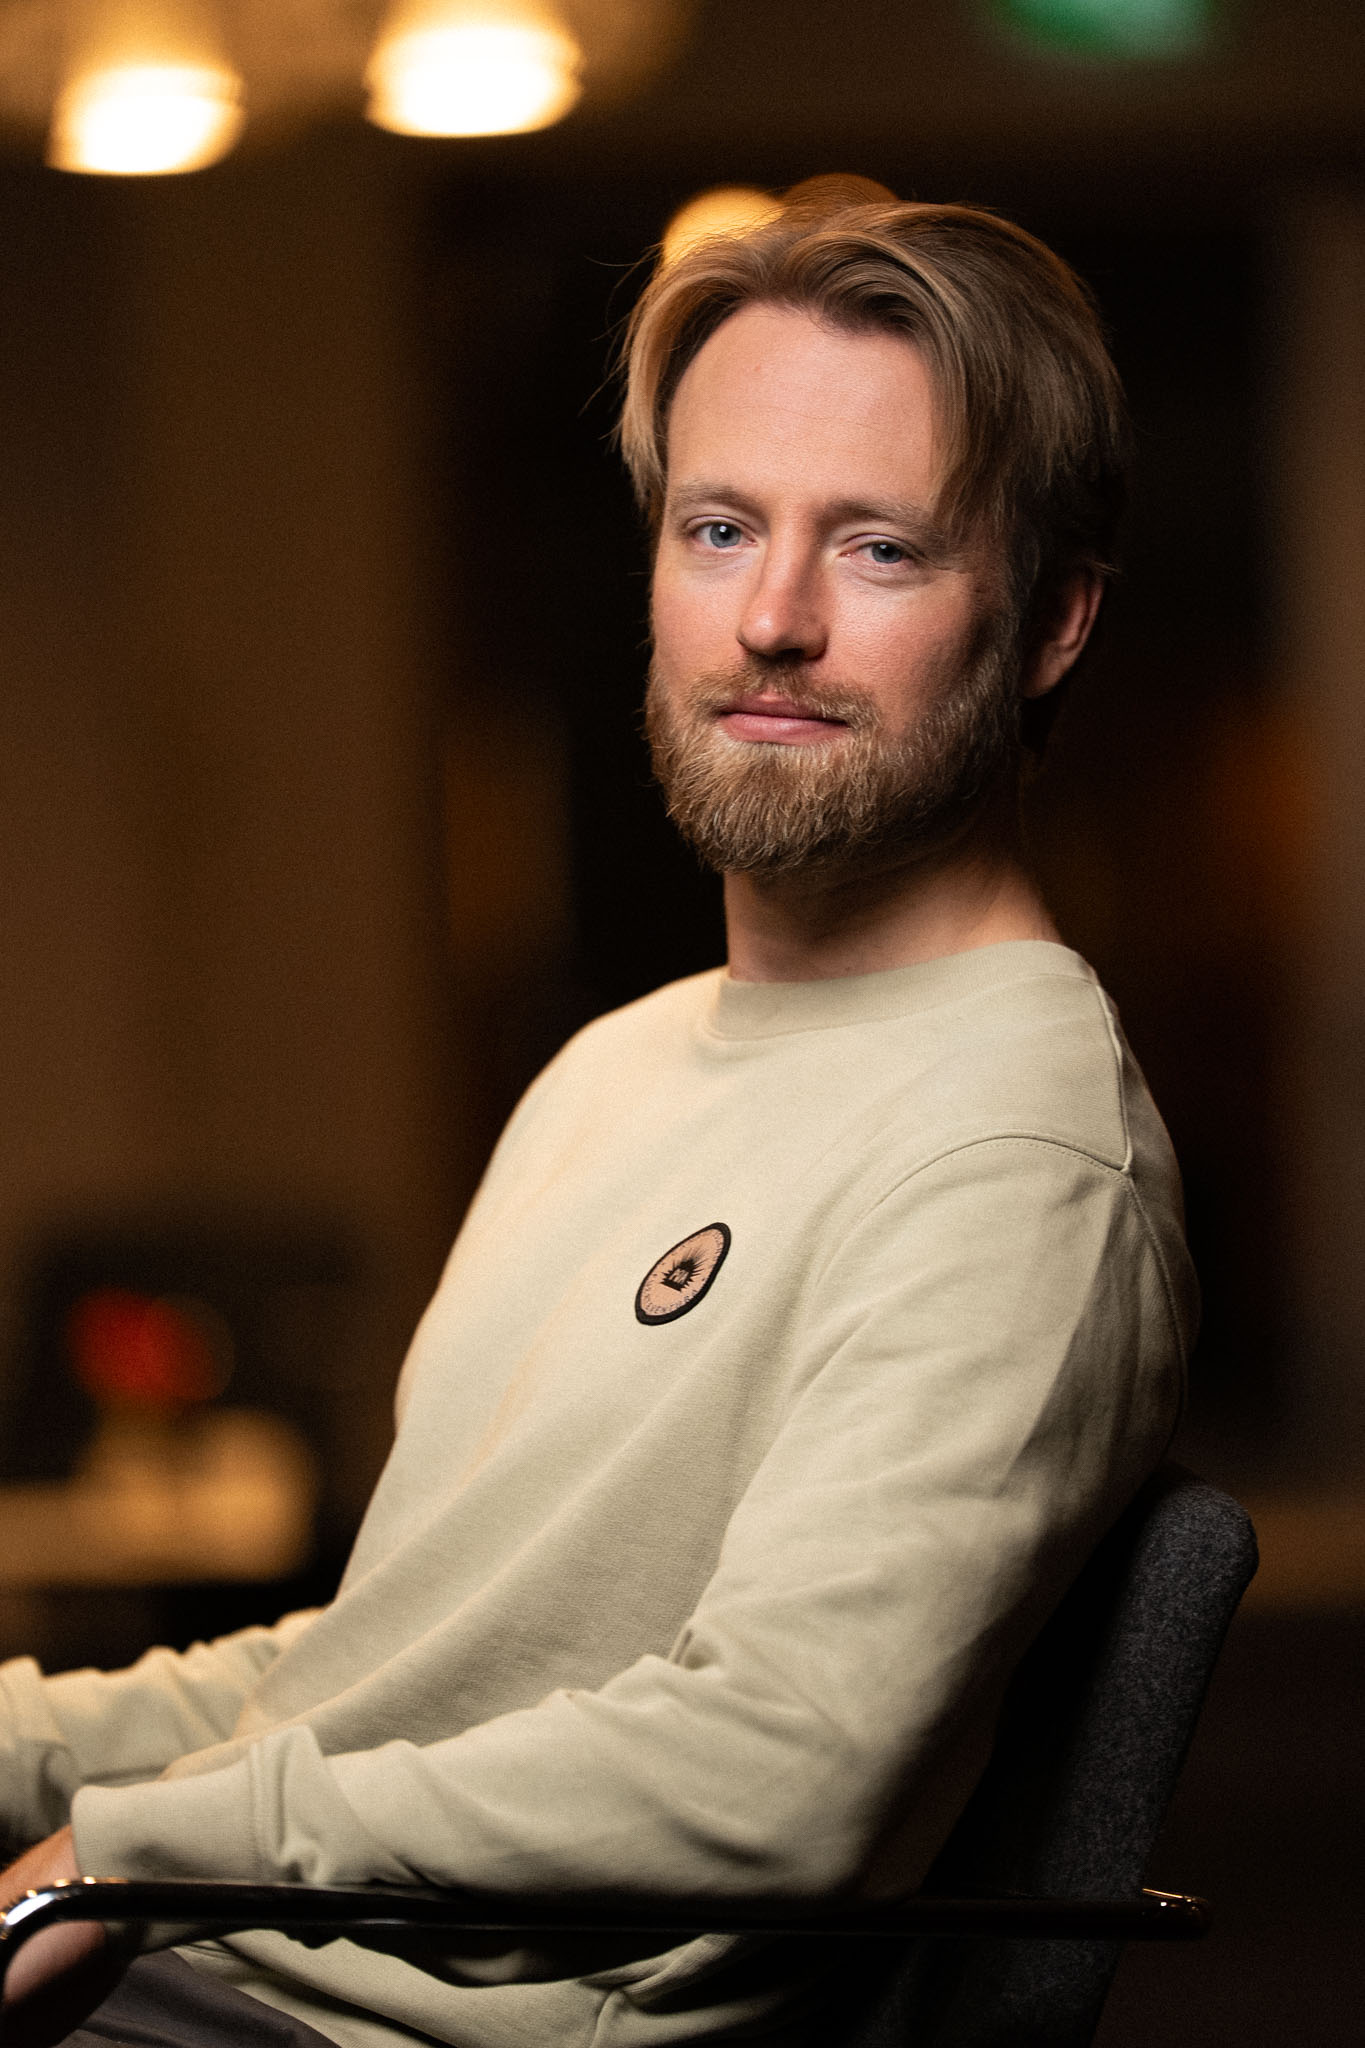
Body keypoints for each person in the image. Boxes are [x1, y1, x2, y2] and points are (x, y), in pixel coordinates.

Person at [0, 178, 1195, 2048]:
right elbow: (386, 1677)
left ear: (1047, 623)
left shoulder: (1017, 1159)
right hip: (224, 1963)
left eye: (877, 549)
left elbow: (771, 1770)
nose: (774, 618)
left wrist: (120, 1855)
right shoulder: (613, 1070)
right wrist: (32, 1754)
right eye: (720, 527)